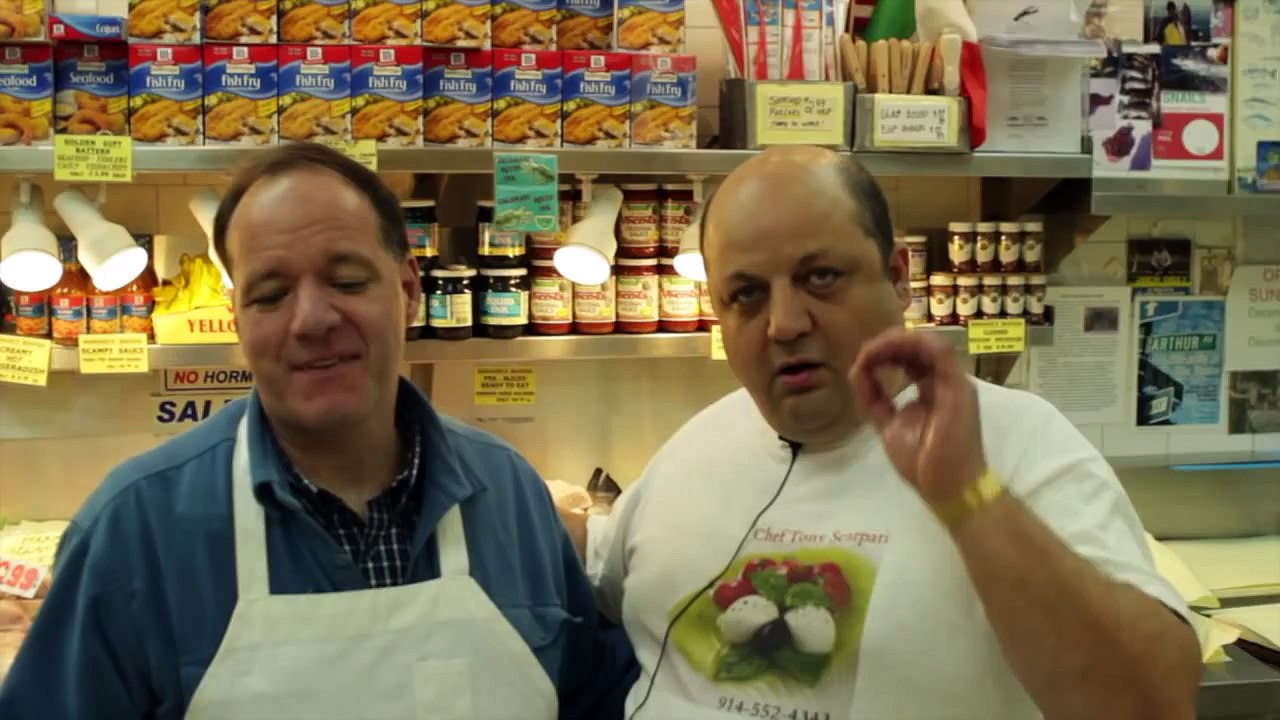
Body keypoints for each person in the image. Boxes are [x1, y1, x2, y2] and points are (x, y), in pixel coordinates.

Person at [560, 147, 1201, 719]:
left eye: (820, 278)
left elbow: (1152, 704)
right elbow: (598, 569)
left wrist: (968, 497)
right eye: (747, 294)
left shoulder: (1018, 443)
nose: (784, 323)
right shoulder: (697, 445)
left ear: (898, 276)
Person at [0, 143, 635, 719]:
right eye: (270, 294)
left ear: (408, 290)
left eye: (347, 281)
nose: (310, 319)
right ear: (238, 322)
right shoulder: (134, 530)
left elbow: (592, 700)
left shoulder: (509, 494)